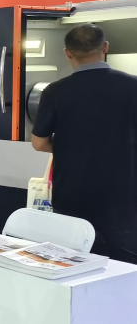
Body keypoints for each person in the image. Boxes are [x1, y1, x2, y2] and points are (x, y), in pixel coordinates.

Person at [32, 24, 137, 264]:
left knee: (71, 265)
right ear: (105, 48)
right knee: (125, 270)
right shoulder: (133, 86)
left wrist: (70, 146)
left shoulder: (54, 91)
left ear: (67, 53)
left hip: (71, 199)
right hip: (123, 201)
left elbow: (38, 143)